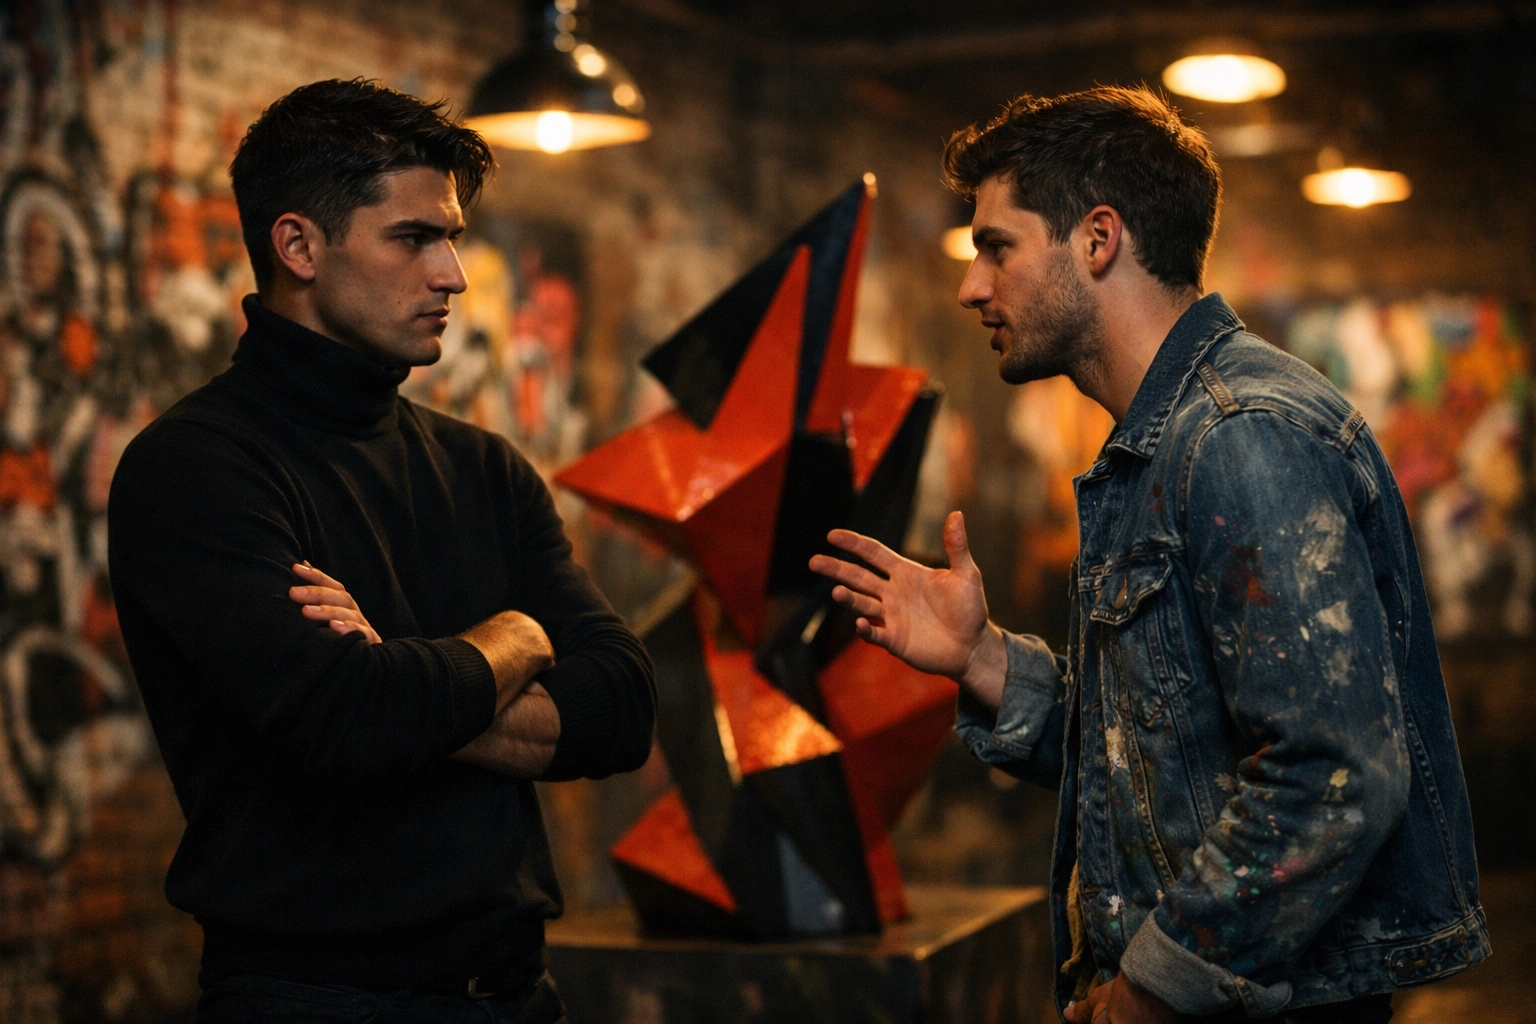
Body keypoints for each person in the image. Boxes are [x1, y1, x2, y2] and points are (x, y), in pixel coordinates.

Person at [811, 87, 1486, 1024]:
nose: (970, 285)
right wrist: (983, 660)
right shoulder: (1158, 447)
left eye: (996, 246)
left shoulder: (1240, 436)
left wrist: (1149, 995)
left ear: (1097, 240)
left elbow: (1333, 777)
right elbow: (1155, 751)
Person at [107, 79, 655, 1023]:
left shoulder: (483, 467)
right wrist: (519, 640)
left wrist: (402, 677)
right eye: (413, 238)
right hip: (312, 1002)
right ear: (299, 246)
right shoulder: (197, 468)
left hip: (518, 996)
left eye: (451, 238)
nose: (453, 275)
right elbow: (343, 721)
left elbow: (622, 706)